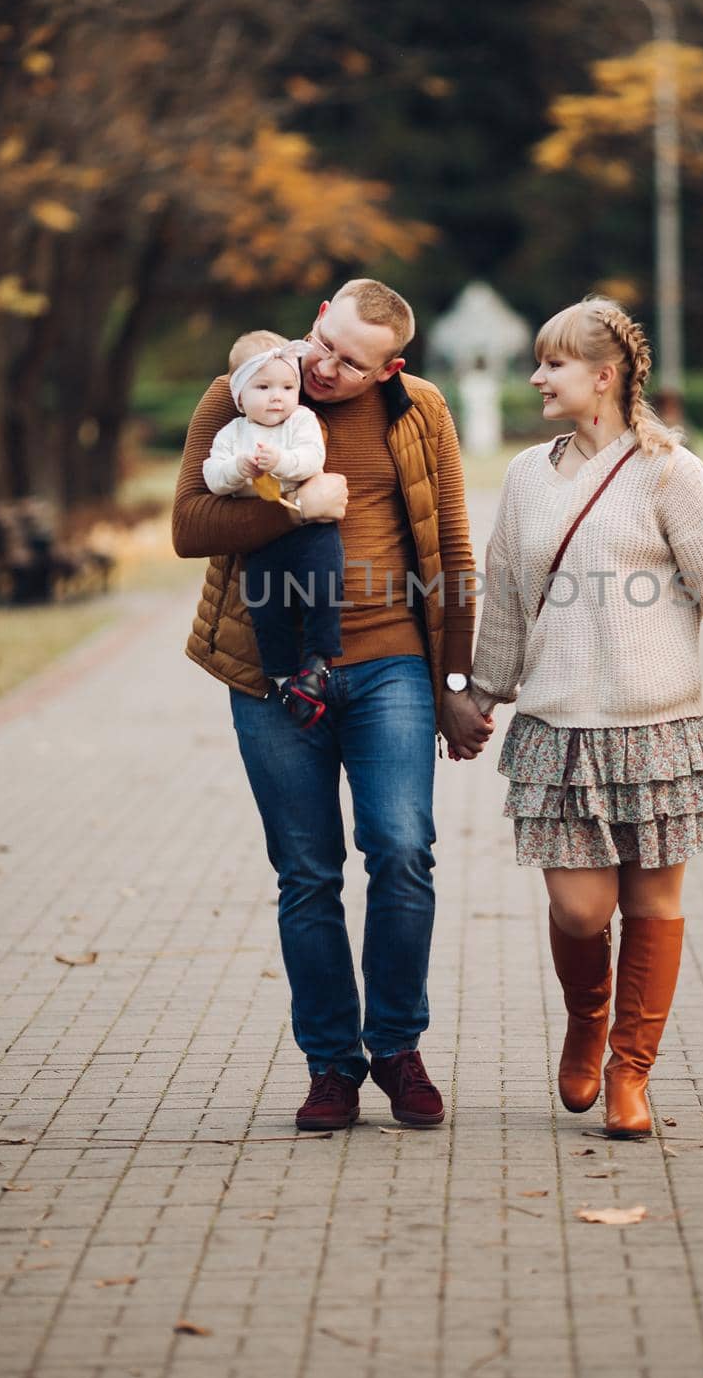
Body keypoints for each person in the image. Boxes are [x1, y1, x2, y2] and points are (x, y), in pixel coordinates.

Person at [469, 296, 703, 1139]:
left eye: (551, 364)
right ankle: (587, 1021)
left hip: (658, 730)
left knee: (655, 902)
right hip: (556, 733)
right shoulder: (527, 476)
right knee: (580, 912)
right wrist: (479, 696)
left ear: (603, 376)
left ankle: (631, 1073)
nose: (535, 377)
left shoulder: (672, 472)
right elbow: (506, 604)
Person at [173, 279, 494, 1132]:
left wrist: (455, 686)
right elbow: (189, 526)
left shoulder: (419, 410)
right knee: (307, 873)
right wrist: (292, 507)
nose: (324, 370)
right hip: (273, 672)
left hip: (389, 662)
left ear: (388, 366)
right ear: (317, 317)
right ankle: (331, 1067)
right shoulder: (241, 387)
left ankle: (395, 1045)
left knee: (400, 847)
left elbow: (454, 546)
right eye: (325, 346)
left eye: (352, 365)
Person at [202, 331, 343, 727]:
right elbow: (213, 476)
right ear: (239, 395)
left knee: (324, 586)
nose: (277, 396)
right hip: (260, 538)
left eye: (287, 386)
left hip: (311, 531)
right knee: (266, 607)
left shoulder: (301, 420)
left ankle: (318, 661)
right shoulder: (232, 434)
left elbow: (312, 460)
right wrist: (238, 469)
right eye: (263, 387)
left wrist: (279, 459)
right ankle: (284, 678)